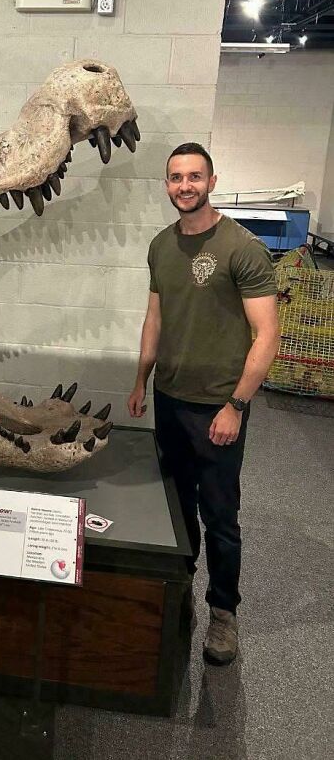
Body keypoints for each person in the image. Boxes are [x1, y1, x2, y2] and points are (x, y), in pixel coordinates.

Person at [127, 142, 279, 666]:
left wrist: (236, 404)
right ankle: (181, 595)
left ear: (212, 181)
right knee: (175, 508)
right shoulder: (159, 247)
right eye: (175, 178)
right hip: (170, 399)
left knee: (220, 516)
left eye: (194, 177)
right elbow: (156, 317)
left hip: (218, 406)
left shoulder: (243, 248)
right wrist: (141, 378)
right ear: (166, 185)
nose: (184, 186)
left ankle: (223, 614)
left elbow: (267, 336)